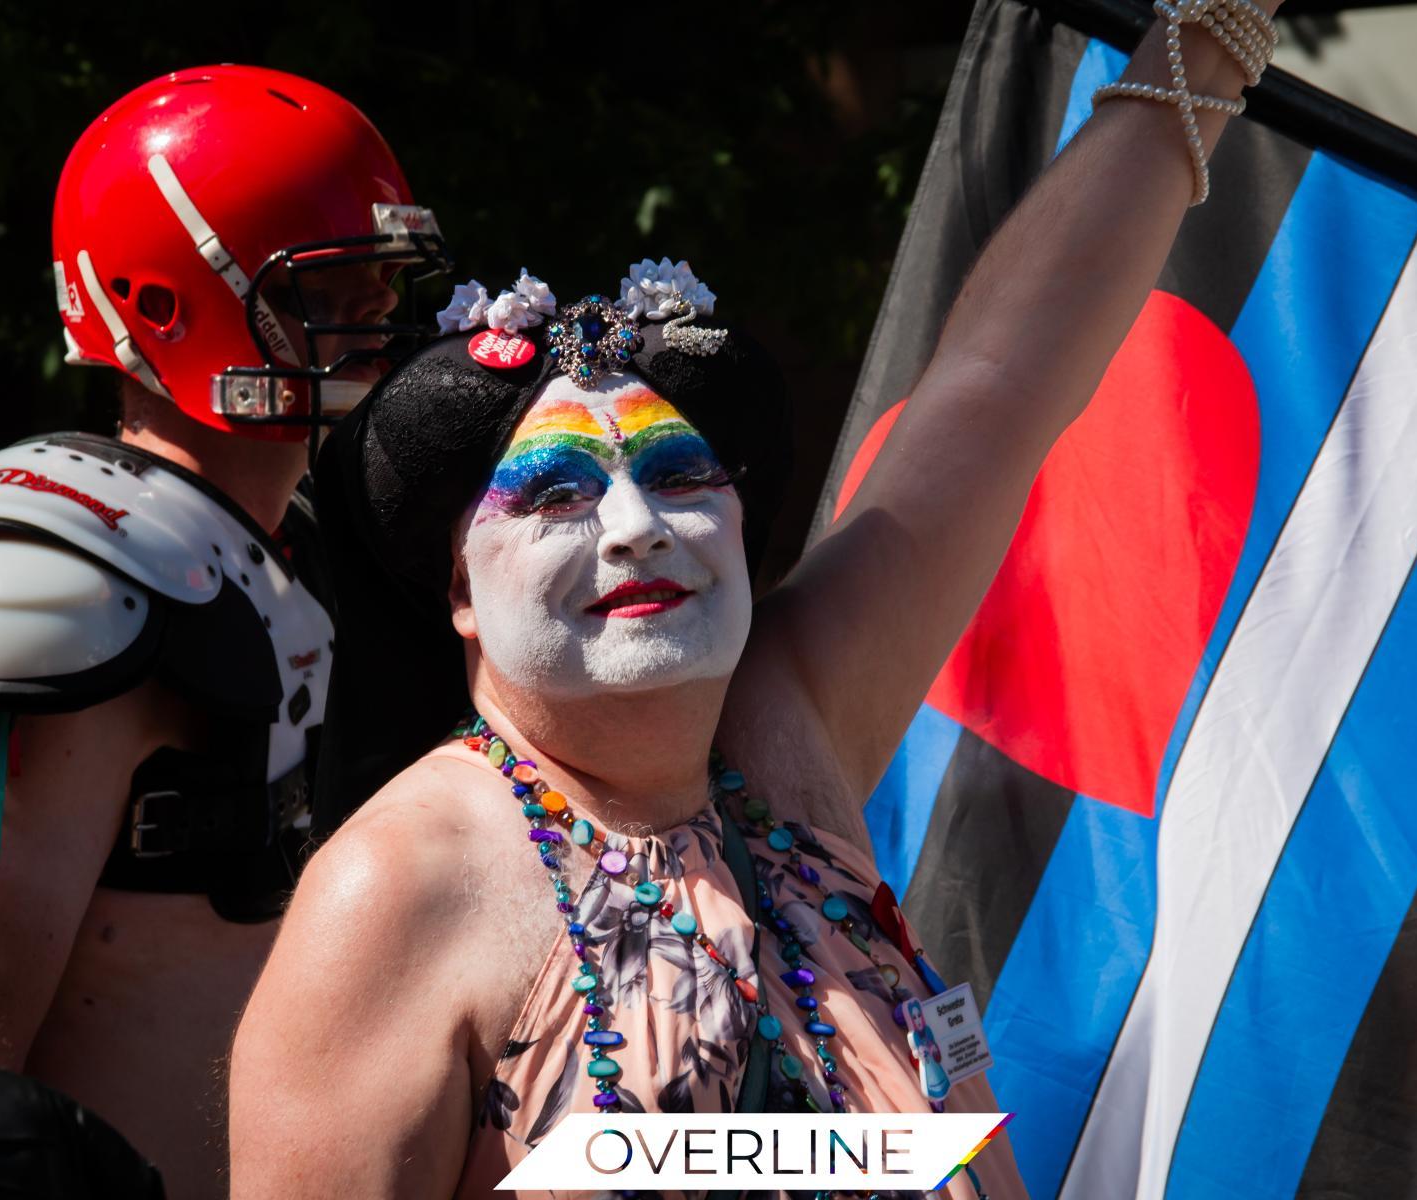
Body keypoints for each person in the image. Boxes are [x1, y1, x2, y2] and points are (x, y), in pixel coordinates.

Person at [229, 2, 1281, 1196]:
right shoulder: (399, 886)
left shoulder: (789, 721)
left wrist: (1209, 33)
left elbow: (999, 384)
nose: (637, 525)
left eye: (681, 476)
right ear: (460, 588)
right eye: (557, 493)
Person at [0, 65, 451, 1198]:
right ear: (165, 303)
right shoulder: (77, 579)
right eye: (329, 279)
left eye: (384, 271)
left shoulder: (286, 540)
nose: (379, 305)